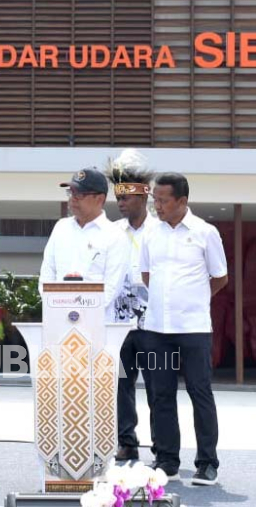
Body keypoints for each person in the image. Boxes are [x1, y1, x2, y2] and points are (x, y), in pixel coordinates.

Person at [141, 172, 227, 485]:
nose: (157, 206)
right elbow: (146, 274)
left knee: (199, 391)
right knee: (160, 394)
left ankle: (207, 462)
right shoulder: (151, 234)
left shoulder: (206, 232)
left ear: (182, 201)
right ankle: (167, 461)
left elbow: (220, 277)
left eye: (163, 200)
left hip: (193, 329)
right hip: (156, 330)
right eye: (155, 200)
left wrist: (193, 300)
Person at [104, 149, 159, 462]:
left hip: (153, 324)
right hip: (119, 324)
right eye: (118, 197)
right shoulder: (111, 232)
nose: (121, 203)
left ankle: (162, 444)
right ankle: (127, 441)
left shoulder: (159, 230)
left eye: (126, 197)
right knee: (121, 386)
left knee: (157, 387)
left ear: (143, 195)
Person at [38, 168, 129, 322]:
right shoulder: (61, 227)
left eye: (80, 194)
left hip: (97, 323)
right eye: (71, 193)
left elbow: (112, 288)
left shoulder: (115, 235)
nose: (73, 199)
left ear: (99, 199)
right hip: (59, 321)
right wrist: (57, 308)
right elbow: (46, 276)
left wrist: (79, 314)